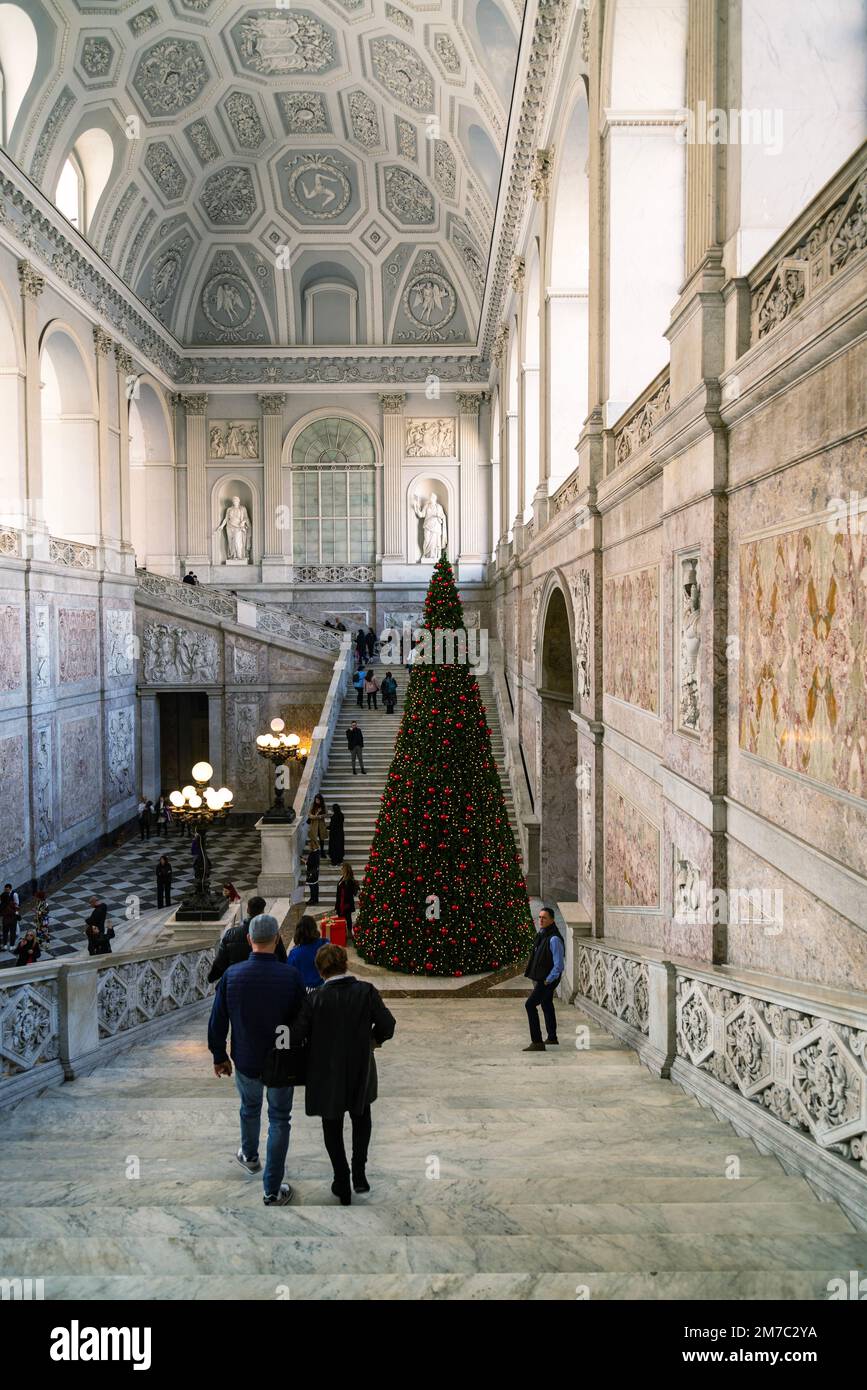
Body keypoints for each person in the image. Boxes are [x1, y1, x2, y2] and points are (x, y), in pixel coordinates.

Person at [208, 913, 308, 1207]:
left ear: (250, 939)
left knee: (249, 1108)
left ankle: (250, 1157)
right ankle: (272, 1191)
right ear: (277, 939)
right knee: (279, 1119)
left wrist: (219, 1056)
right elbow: (302, 1021)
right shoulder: (290, 976)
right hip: (281, 1062)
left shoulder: (232, 975)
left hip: (246, 1059)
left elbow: (217, 1021)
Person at [305, 943, 396, 1204]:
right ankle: (359, 1173)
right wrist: (372, 1040)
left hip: (327, 1072)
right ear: (346, 963)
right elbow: (388, 1025)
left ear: (321, 971)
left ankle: (341, 1179)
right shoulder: (366, 991)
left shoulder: (314, 999)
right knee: (362, 1116)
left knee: (331, 1125)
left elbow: (298, 1034)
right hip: (361, 1067)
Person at [208, 894, 287, 984]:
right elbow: (283, 960)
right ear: (263, 911)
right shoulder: (271, 935)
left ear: (247, 910)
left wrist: (212, 977)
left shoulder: (231, 934)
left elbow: (220, 963)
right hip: (265, 981)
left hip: (237, 981)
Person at [522, 906, 565, 1051]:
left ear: (552, 920)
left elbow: (559, 965)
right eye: (539, 917)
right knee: (546, 1003)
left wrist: (548, 980)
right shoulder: (543, 934)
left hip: (546, 979)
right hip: (542, 977)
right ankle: (552, 1038)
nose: (540, 920)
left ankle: (537, 1042)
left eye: (544, 917)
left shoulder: (554, 939)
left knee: (530, 1005)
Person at [287, 915, 329, 991]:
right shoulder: (325, 943)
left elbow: (291, 976)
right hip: (326, 986)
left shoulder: (294, 953)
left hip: (307, 990)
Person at [335, 862, 359, 938]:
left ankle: (349, 933)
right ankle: (343, 933)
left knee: (348, 919)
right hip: (341, 903)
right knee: (342, 919)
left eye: (342, 869)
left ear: (345, 870)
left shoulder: (349, 881)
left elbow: (350, 893)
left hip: (346, 904)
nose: (341, 870)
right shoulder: (343, 878)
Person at [1, 882, 20, 949]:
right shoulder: (11, 903)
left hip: (6, 920)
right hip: (12, 919)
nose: (6, 890)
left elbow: (17, 904)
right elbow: (17, 907)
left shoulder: (14, 895)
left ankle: (5, 945)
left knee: (5, 932)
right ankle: (11, 945)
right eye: (5, 889)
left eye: (7, 889)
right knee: (12, 932)